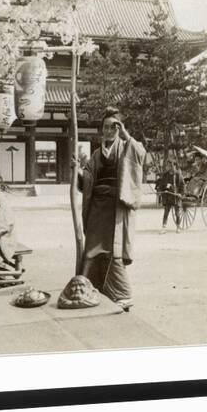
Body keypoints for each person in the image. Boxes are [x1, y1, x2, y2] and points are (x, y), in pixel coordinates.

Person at [75, 107, 146, 313]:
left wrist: (127, 136)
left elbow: (141, 156)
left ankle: (123, 294)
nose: (108, 131)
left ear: (119, 129)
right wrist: (77, 172)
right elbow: (87, 180)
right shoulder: (97, 154)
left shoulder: (127, 147)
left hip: (116, 206)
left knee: (113, 252)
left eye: (113, 128)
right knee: (91, 251)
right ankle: (89, 289)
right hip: (98, 207)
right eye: (105, 127)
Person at [155, 159, 185, 234]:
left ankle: (178, 227)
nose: (169, 167)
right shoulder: (166, 175)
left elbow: (182, 185)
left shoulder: (178, 174)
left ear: (174, 166)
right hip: (168, 196)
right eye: (168, 166)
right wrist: (161, 190)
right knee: (166, 213)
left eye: (171, 166)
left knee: (177, 213)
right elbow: (162, 184)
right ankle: (164, 228)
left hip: (175, 196)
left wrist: (181, 193)